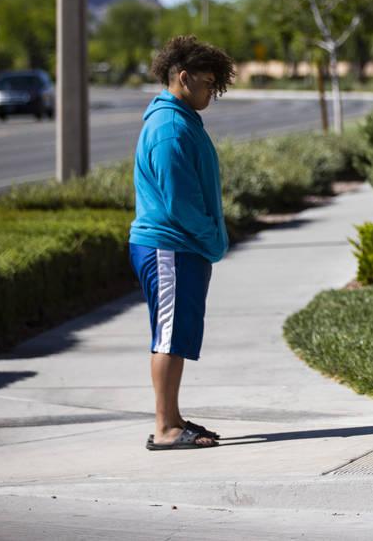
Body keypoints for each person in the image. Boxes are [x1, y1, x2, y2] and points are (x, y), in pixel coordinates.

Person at [129, 35, 235, 450]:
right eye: (208, 83)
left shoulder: (180, 118)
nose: (212, 92)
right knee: (169, 337)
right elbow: (181, 202)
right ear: (184, 77)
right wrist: (214, 241)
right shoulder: (170, 128)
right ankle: (165, 429)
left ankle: (172, 419)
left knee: (175, 334)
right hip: (170, 246)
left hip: (178, 246)